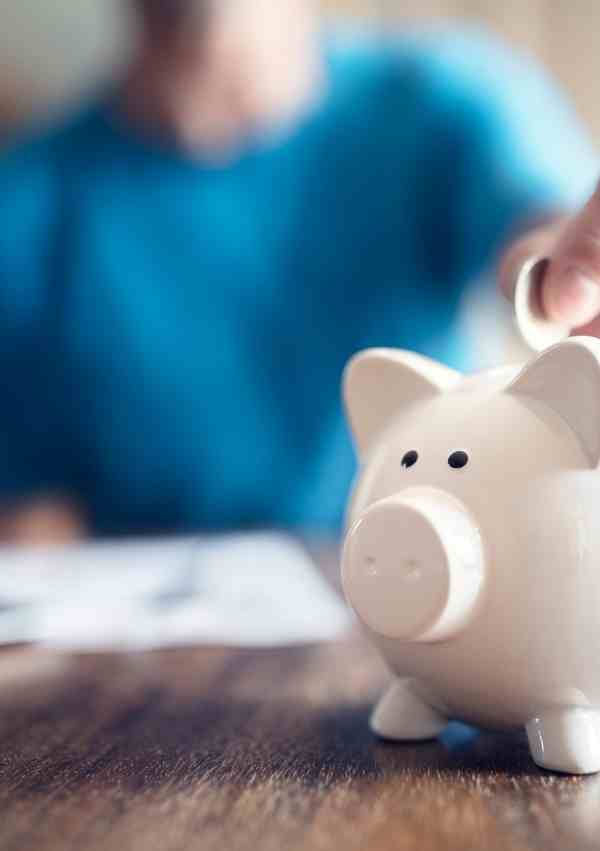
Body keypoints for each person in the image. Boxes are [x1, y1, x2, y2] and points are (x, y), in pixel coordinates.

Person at [0, 0, 599, 541]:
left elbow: (540, 228)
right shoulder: (25, 203)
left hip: (426, 583)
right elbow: (28, 515)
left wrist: (560, 277)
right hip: (160, 639)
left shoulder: (443, 97)